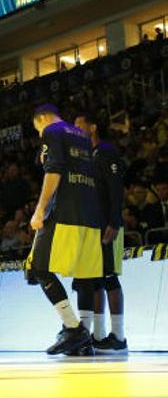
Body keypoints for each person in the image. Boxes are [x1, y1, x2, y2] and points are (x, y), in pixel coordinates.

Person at [27, 104, 103, 356]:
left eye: (37, 128)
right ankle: (81, 341)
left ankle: (74, 329)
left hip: (65, 212)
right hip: (90, 213)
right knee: (83, 275)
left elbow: (54, 170)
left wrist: (40, 210)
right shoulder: (81, 134)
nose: (39, 133)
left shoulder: (51, 130)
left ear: (41, 120)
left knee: (38, 267)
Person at [75, 112, 127, 353]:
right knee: (95, 280)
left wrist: (114, 221)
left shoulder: (107, 151)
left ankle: (119, 337)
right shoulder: (87, 155)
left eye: (79, 125)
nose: (75, 129)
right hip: (92, 226)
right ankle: (98, 335)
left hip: (107, 225)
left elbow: (116, 189)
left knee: (109, 278)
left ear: (93, 127)